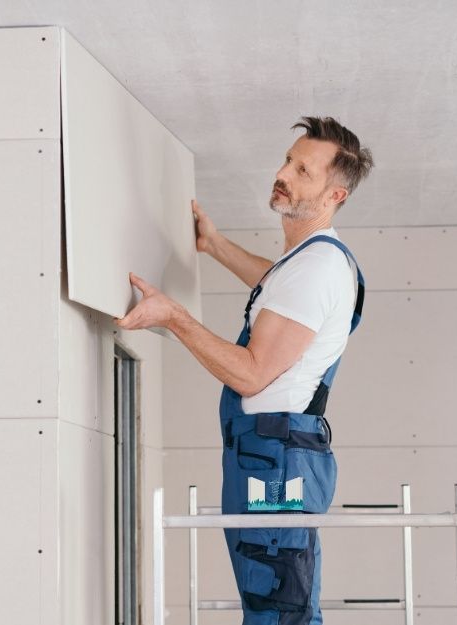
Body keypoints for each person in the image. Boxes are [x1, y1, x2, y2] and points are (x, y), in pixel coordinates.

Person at [114, 116, 373, 625]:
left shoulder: (315, 269)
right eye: (287, 160)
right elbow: (275, 287)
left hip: (274, 460)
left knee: (277, 604)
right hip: (272, 451)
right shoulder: (310, 261)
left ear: (334, 195)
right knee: (278, 597)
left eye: (303, 170)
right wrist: (213, 245)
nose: (284, 173)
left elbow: (252, 374)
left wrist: (174, 316)